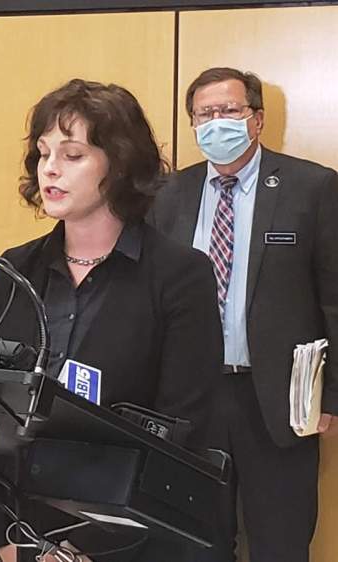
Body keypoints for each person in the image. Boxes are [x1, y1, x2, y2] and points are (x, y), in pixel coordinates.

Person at [0, 79, 223, 562]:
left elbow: (182, 429)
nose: (50, 169)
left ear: (120, 164)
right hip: (13, 531)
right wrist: (6, 540)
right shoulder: (12, 270)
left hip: (129, 534)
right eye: (43, 154)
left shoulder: (180, 275)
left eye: (73, 155)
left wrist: (80, 547)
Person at [148, 67, 338, 562]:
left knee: (281, 543)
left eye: (230, 110)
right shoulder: (166, 196)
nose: (218, 122)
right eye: (205, 113)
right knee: (194, 543)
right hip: (189, 401)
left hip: (276, 403)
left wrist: (334, 394)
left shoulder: (312, 188)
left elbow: (334, 297)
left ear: (257, 119)